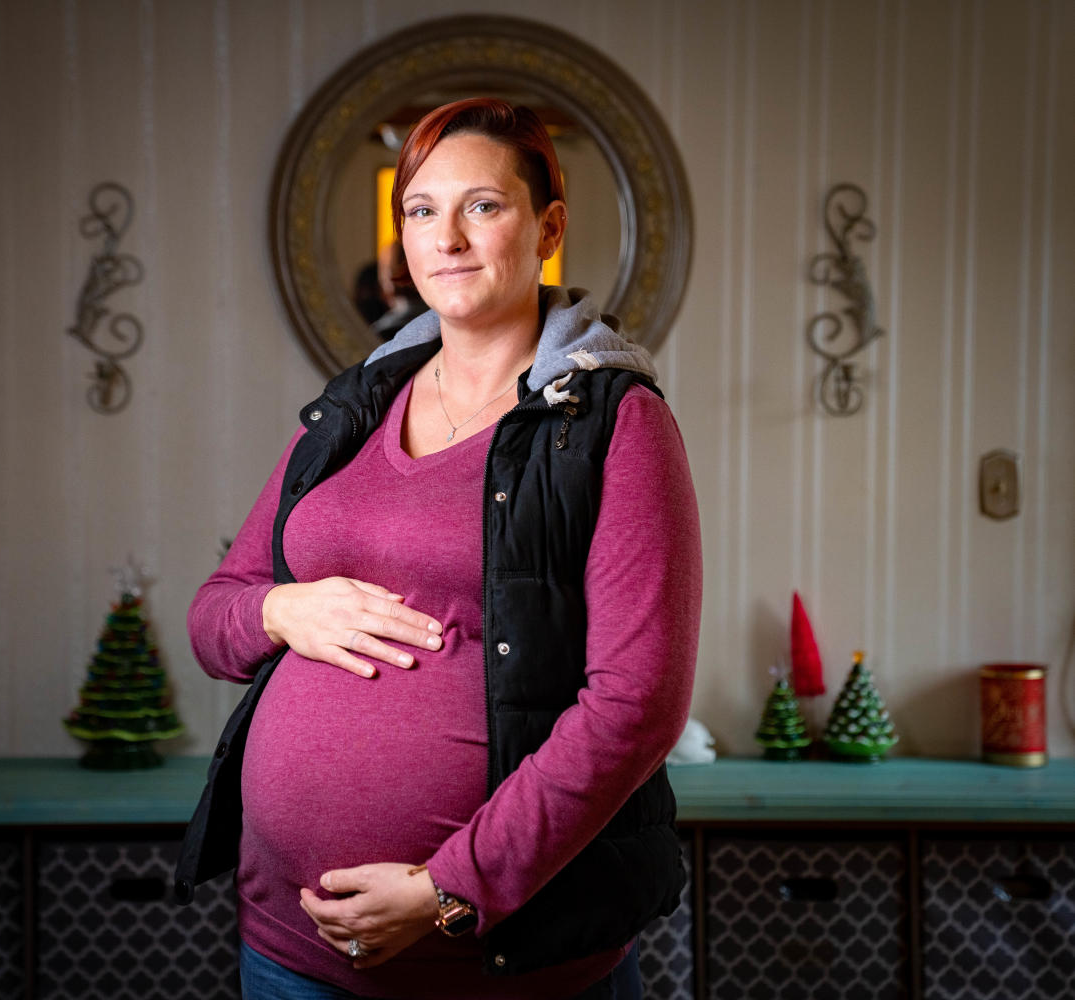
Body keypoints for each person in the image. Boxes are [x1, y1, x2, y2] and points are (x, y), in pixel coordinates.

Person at [177, 97, 702, 1000]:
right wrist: (278, 607)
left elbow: (639, 706)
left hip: (499, 966)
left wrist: (448, 890)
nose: (447, 237)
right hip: (286, 950)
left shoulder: (615, 423)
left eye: (483, 207)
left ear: (548, 228)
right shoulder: (355, 406)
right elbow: (214, 616)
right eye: (421, 210)